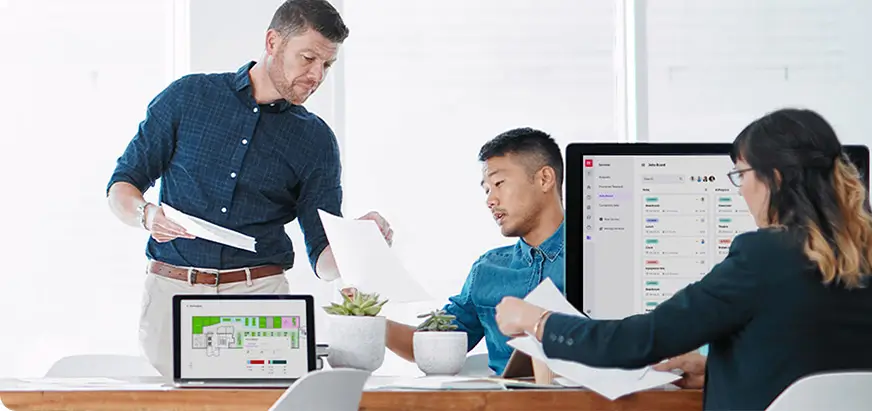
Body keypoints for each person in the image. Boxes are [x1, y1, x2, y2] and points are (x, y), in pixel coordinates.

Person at [494, 108, 872, 410]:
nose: (740, 190)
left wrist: (536, 320)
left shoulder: (764, 256)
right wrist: (716, 372)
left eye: (741, 175)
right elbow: (822, 379)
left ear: (775, 178)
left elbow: (639, 342)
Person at [105, 0, 391, 376]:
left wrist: (359, 241)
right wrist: (146, 215)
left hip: (260, 296)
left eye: (326, 64)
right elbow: (122, 186)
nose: (316, 75)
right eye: (307, 58)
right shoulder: (188, 97)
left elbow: (322, 255)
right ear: (273, 42)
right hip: (173, 294)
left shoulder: (316, 140)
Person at [383, 127, 566, 375]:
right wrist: (371, 324)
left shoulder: (599, 259)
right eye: (487, 189)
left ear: (544, 179)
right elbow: (431, 346)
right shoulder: (488, 270)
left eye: (499, 183)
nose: (490, 200)